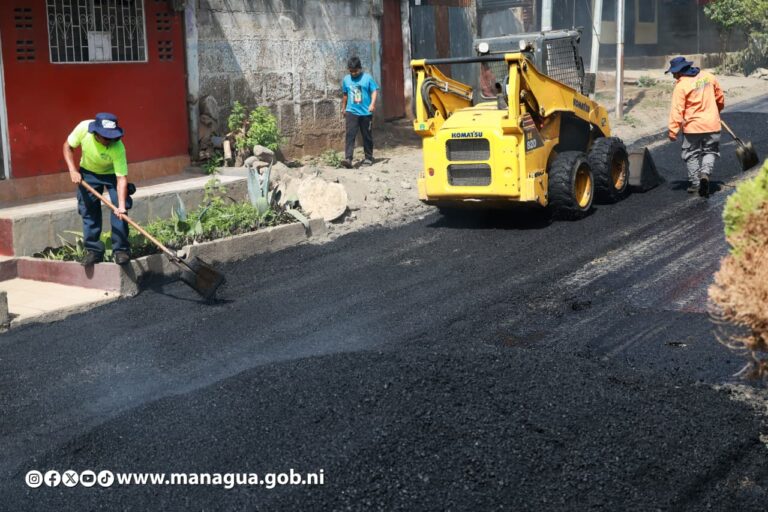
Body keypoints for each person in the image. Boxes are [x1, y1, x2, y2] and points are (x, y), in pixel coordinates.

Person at [63, 112, 131, 266]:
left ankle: (120, 250)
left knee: (120, 209)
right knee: (88, 209)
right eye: (106, 137)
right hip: (89, 172)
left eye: (113, 137)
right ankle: (94, 251)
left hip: (112, 174)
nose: (110, 141)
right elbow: (67, 146)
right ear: (96, 133)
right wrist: (73, 170)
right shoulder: (83, 129)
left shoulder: (118, 147)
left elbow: (121, 179)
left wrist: (120, 206)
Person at [666, 56, 725, 197]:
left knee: (691, 154)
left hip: (693, 127)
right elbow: (720, 97)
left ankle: (696, 184)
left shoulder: (681, 86)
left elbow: (677, 110)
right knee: (710, 152)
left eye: (674, 73)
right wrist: (717, 110)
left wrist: (673, 131)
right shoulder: (709, 77)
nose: (673, 76)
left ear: (680, 71)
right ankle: (705, 174)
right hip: (712, 123)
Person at [340, 56, 379, 168]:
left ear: (360, 68)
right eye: (351, 71)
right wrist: (343, 108)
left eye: (355, 71)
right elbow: (345, 95)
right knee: (350, 135)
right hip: (351, 112)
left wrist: (372, 104)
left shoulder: (367, 78)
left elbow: (374, 91)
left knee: (366, 135)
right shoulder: (346, 80)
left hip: (366, 113)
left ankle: (368, 158)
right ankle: (348, 159)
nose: (353, 73)